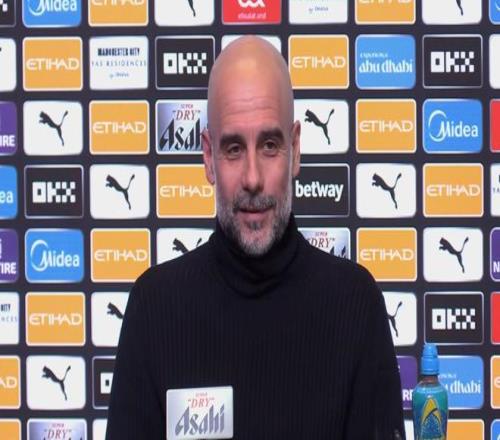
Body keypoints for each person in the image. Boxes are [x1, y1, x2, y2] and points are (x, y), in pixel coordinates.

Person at [106, 36, 405, 439]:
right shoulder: (154, 309)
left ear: (295, 149)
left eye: (269, 146)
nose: (252, 178)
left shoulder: (355, 306)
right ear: (208, 157)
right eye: (233, 149)